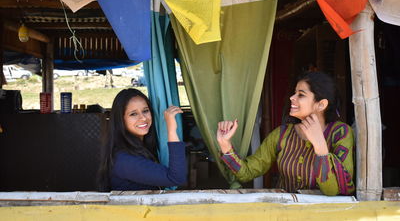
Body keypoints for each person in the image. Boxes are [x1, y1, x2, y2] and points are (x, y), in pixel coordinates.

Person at [217, 71, 355, 196]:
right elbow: (247, 173)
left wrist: (320, 147)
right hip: (285, 212)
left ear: (321, 104)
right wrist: (225, 145)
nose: (292, 97)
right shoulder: (281, 134)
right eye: (294, 93)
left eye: (301, 94)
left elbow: (335, 191)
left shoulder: (340, 133)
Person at [98, 88, 186, 191]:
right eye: (133, 114)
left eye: (145, 111)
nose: (143, 118)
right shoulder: (124, 159)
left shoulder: (140, 148)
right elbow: (176, 178)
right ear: (121, 120)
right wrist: (171, 129)